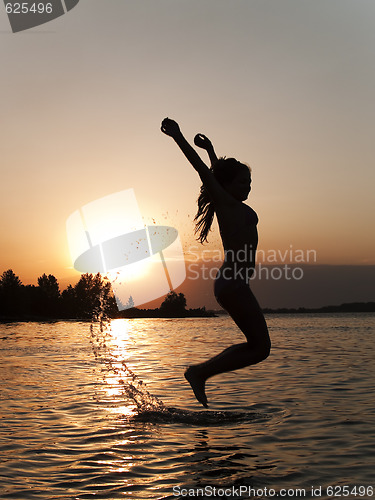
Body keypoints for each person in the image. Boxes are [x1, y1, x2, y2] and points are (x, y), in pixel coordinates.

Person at [161, 118, 271, 408]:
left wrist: (212, 151)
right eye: (243, 182)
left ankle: (200, 372)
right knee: (261, 347)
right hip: (232, 285)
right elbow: (202, 171)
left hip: (235, 284)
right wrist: (178, 136)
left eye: (250, 182)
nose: (248, 187)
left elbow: (216, 175)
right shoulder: (227, 204)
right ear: (229, 185)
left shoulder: (232, 202)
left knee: (259, 347)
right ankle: (199, 372)